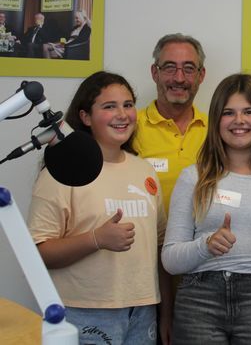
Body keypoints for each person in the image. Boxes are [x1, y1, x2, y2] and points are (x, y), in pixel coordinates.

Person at [27, 71, 171, 344]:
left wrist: (166, 313)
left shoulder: (145, 171)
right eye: (109, 106)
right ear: (85, 117)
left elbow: (160, 247)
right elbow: (37, 251)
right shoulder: (62, 170)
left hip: (143, 312)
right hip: (83, 312)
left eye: (128, 105)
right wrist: (96, 239)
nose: (122, 114)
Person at [161, 73, 251, 344]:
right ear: (216, 120)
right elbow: (170, 260)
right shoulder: (193, 177)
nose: (239, 121)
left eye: (249, 111)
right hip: (199, 301)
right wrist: (206, 245)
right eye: (229, 113)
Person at [133, 33, 207, 215]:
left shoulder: (216, 130)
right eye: (169, 67)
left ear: (201, 75)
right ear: (154, 73)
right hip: (144, 240)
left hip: (202, 242)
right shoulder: (130, 127)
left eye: (189, 68)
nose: (179, 78)